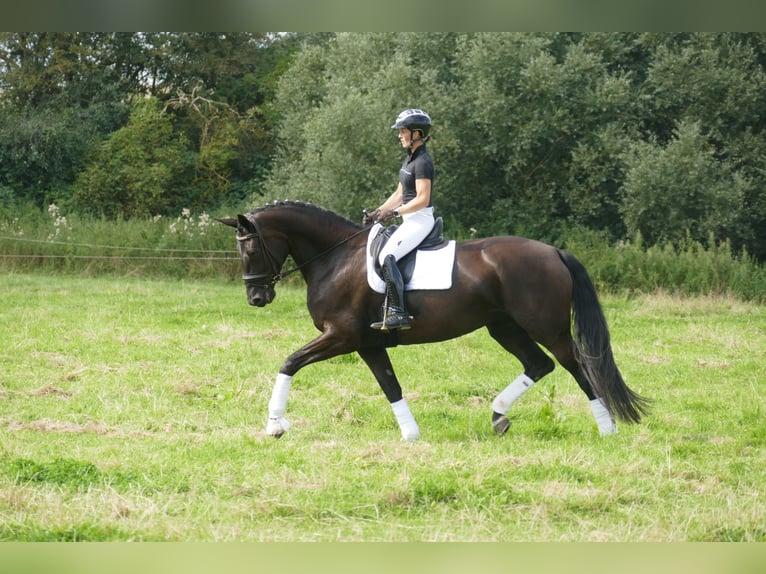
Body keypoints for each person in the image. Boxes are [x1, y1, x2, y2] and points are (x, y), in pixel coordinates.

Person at [365, 108, 435, 331]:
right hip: (409, 218)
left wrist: (396, 213)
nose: (399, 135)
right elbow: (399, 194)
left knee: (387, 255)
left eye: (403, 131)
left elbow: (422, 199)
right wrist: (378, 212)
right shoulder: (409, 159)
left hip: (420, 219)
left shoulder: (423, 161)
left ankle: (398, 313)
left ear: (416, 134)